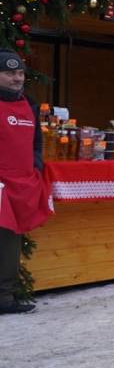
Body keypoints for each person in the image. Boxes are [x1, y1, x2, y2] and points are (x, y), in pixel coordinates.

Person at [0, 50, 52, 315]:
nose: (16, 78)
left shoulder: (29, 104)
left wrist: (36, 165)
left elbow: (36, 141)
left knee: (10, 241)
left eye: (20, 73)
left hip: (20, 184)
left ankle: (5, 298)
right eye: (9, 73)